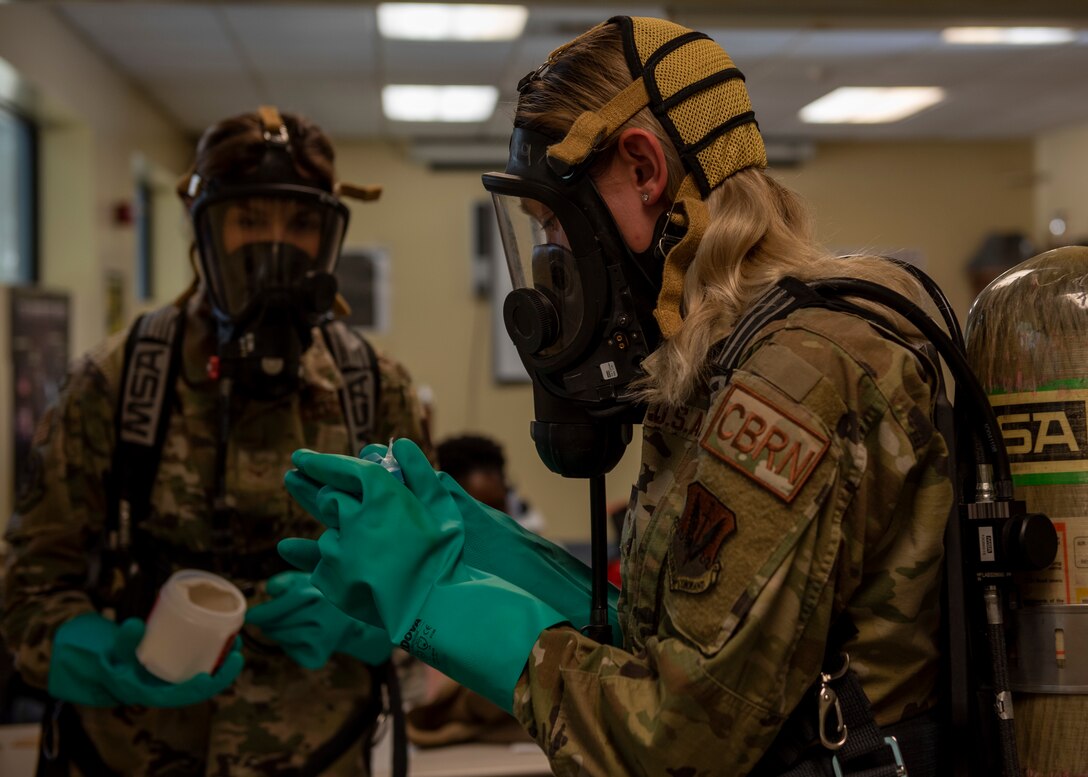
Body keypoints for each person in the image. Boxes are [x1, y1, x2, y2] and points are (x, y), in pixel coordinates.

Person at [279, 17, 955, 777]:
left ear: (643, 169)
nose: (550, 263)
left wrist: (431, 593)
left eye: (552, 225)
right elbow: (665, 641)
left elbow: (675, 738)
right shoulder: (719, 361)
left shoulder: (794, 378)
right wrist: (473, 544)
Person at [1, 106, 430, 776]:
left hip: (320, 751)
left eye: (301, 224)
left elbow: (431, 583)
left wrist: (369, 625)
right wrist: (99, 655)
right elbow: (27, 586)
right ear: (206, 233)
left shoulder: (373, 388)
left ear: (328, 238)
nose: (276, 246)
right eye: (249, 220)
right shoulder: (116, 383)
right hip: (130, 755)